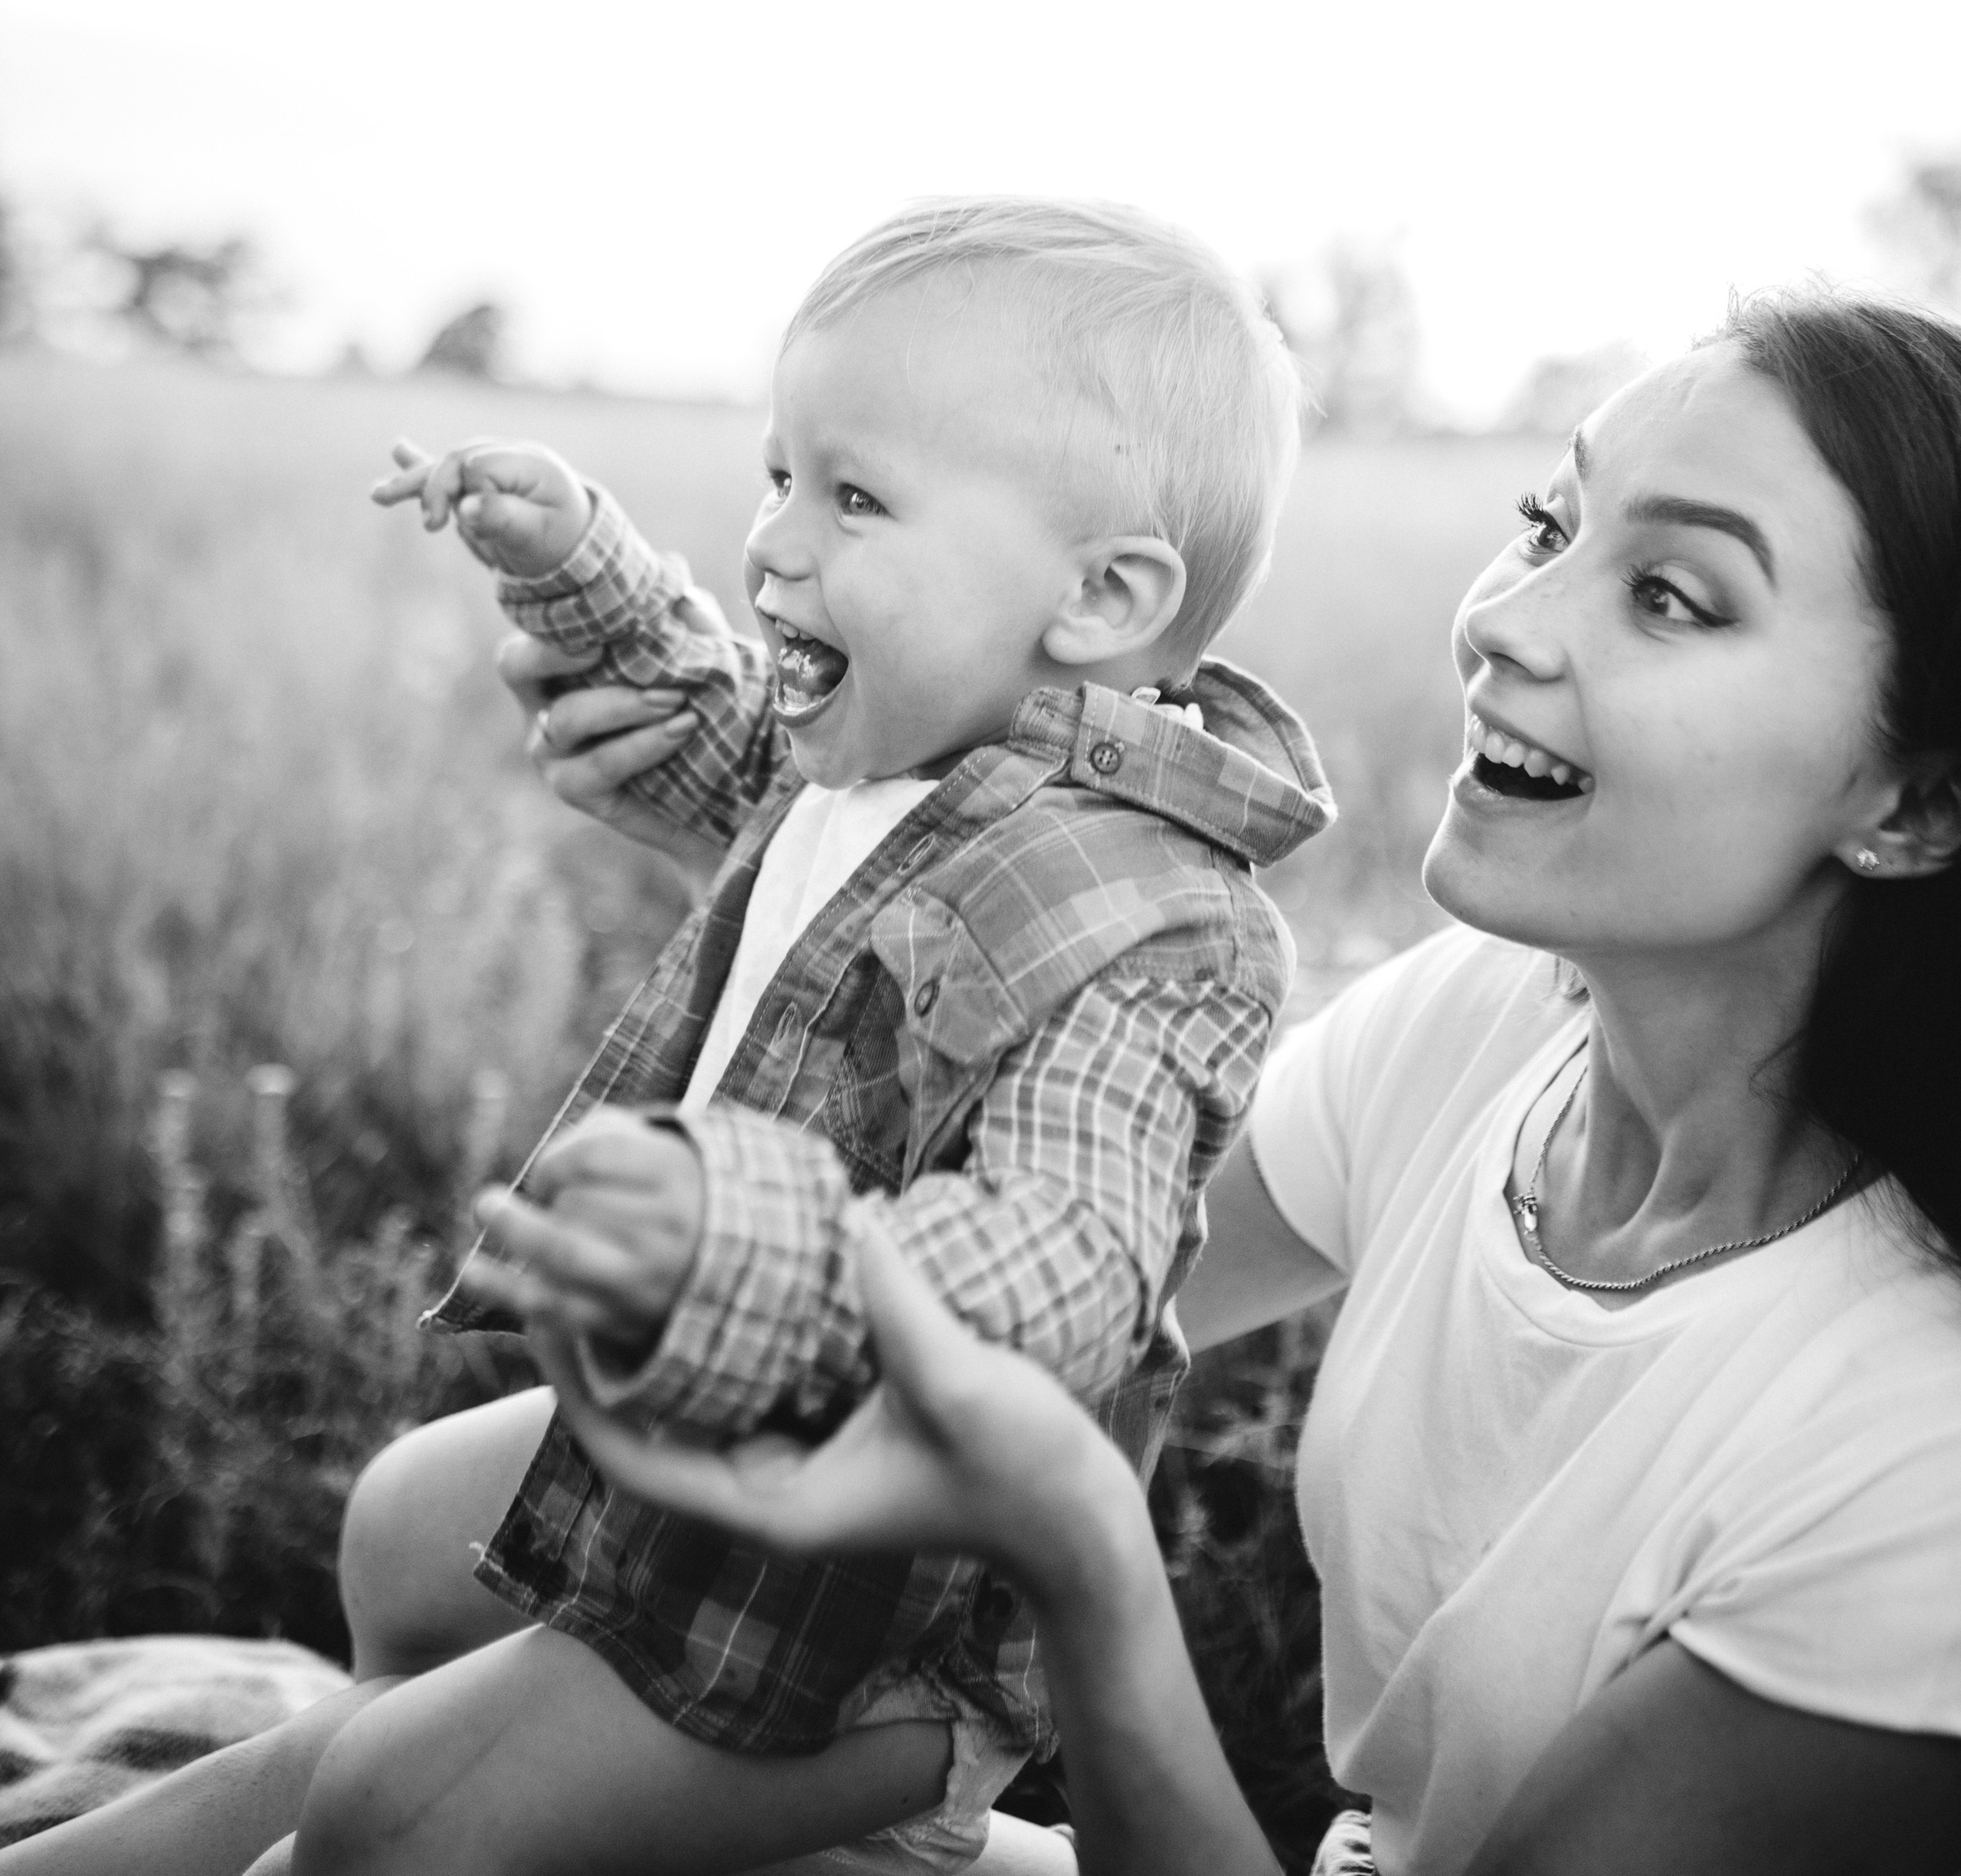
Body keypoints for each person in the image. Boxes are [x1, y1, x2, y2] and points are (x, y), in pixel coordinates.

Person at [519, 288, 1961, 1875]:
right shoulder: (1491, 1021)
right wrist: (803, 876)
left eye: (1672, 597)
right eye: (1547, 522)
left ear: (1917, 805)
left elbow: (1017, 1386)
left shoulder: (1918, 1476)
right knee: (409, 1553)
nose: (1508, 620)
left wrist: (1081, 1559)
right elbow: (1047, 1245)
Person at [5, 200, 1327, 1876]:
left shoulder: (1157, 922)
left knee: (389, 1813)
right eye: (781, 474)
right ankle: (453, 1755)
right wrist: (578, 569)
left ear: (1102, 593)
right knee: (406, 1528)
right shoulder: (906, 755)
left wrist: (739, 1239)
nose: (773, 543)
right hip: (731, 1437)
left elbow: (1065, 1265)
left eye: (853, 498)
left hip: (867, 1598)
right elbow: (722, 737)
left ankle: (502, 1806)